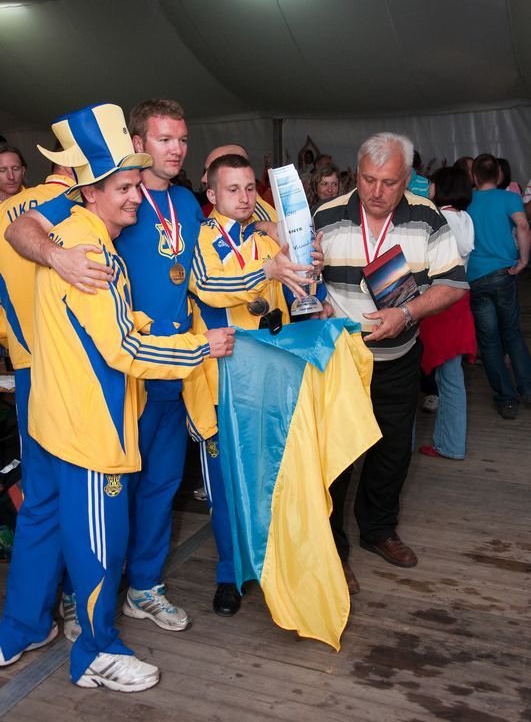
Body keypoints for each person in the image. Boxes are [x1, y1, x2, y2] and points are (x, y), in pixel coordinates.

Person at [0, 103, 234, 691]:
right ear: (91, 189)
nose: (135, 195)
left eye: (136, 184)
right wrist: (199, 347)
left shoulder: (90, 229)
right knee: (99, 537)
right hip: (93, 418)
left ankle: (24, 626)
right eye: (125, 186)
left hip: (55, 407)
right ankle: (95, 651)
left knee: (49, 515)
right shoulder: (87, 248)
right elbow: (123, 347)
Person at [314, 132, 466, 586]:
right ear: (355, 174)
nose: (377, 192)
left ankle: (378, 531)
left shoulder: (427, 217)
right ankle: (332, 549)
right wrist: (313, 296)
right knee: (336, 459)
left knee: (392, 452)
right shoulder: (325, 216)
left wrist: (407, 312)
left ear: (408, 178)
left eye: (390, 182)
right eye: (368, 180)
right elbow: (302, 282)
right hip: (341, 361)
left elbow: (454, 284)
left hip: (398, 358)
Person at [188, 153, 315, 616]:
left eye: (248, 188)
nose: (244, 198)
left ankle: (271, 562)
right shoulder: (198, 239)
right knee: (224, 489)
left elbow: (294, 299)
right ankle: (230, 573)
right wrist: (269, 271)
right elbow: (207, 286)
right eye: (232, 189)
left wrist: (308, 269)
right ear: (212, 194)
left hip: (268, 381)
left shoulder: (265, 241)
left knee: (271, 478)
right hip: (219, 386)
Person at [0, 161, 81, 639]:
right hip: (85, 366)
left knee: (42, 494)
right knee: (88, 491)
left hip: (31, 363)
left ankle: (30, 618)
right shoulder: (89, 208)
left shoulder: (10, 214)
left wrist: (14, 341)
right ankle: (77, 598)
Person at [467, 153, 531, 419]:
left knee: (490, 341)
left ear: (474, 177)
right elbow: (523, 225)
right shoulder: (508, 198)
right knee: (512, 333)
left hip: (475, 278)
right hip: (504, 273)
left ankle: (506, 400)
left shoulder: (467, 200)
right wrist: (524, 260)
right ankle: (527, 389)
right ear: (499, 175)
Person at [419, 167, 476, 459]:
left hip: (438, 303)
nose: (428, 187)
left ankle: (446, 444)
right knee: (452, 378)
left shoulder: (439, 218)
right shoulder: (465, 218)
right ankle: (451, 444)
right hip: (459, 302)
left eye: (432, 183)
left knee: (426, 377)